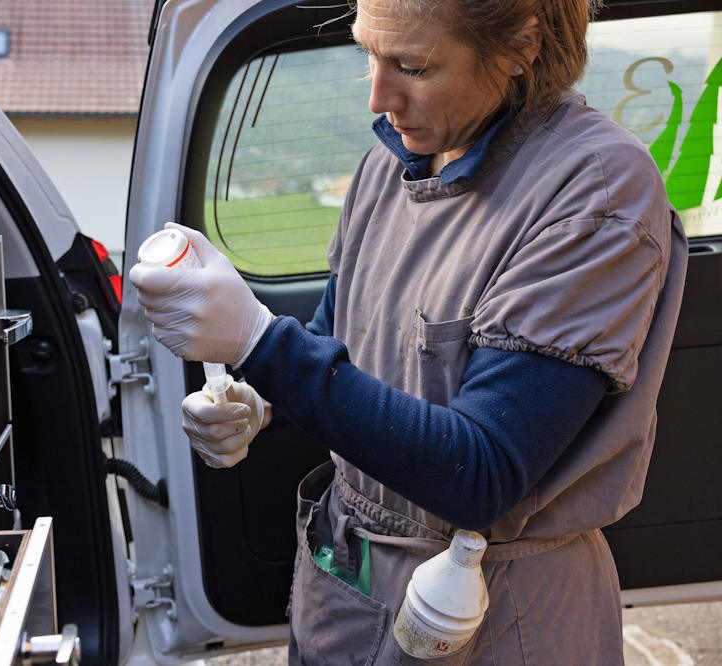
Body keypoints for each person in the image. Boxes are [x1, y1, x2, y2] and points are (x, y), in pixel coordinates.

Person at [128, 0, 688, 663]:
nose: (379, 94)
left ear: (521, 44)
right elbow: (339, 331)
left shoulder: (594, 193)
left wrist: (258, 344)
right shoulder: (389, 165)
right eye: (369, 53)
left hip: (494, 610)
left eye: (412, 66)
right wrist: (260, 400)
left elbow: (482, 471)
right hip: (352, 576)